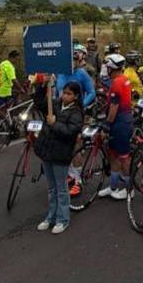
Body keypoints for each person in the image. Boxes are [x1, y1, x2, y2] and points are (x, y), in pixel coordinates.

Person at [33, 80, 84, 235]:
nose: (65, 96)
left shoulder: (76, 113)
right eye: (64, 92)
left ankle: (63, 219)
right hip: (47, 151)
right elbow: (39, 103)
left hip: (61, 154)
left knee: (61, 189)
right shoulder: (54, 104)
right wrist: (43, 86)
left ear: (75, 96)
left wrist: (54, 124)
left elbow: (70, 132)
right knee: (51, 188)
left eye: (69, 94)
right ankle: (51, 216)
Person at [98, 54, 134, 200]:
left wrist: (107, 124)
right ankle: (113, 186)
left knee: (124, 157)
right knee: (113, 155)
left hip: (119, 123)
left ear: (112, 67)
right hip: (123, 121)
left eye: (107, 67)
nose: (106, 70)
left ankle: (129, 190)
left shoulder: (117, 83)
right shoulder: (123, 79)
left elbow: (114, 106)